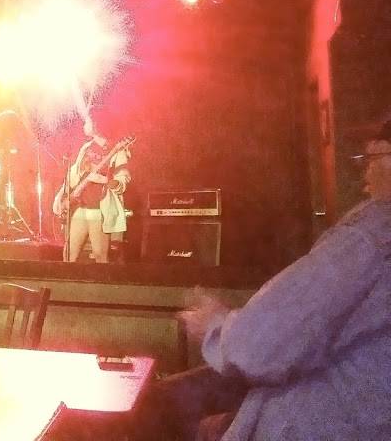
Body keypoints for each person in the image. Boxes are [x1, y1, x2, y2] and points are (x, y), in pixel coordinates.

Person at [136, 119, 391, 440]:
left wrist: (214, 323)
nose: (364, 175)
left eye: (372, 159)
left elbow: (257, 348)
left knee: (151, 407)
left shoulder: (371, 238)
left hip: (321, 427)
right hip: (343, 418)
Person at [52, 119, 131, 263]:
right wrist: (60, 194)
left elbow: (123, 181)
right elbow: (73, 175)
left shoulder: (117, 150)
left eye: (88, 121)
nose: (84, 125)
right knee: (69, 254)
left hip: (99, 212)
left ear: (97, 124)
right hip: (81, 208)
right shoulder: (86, 148)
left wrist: (105, 180)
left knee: (100, 257)